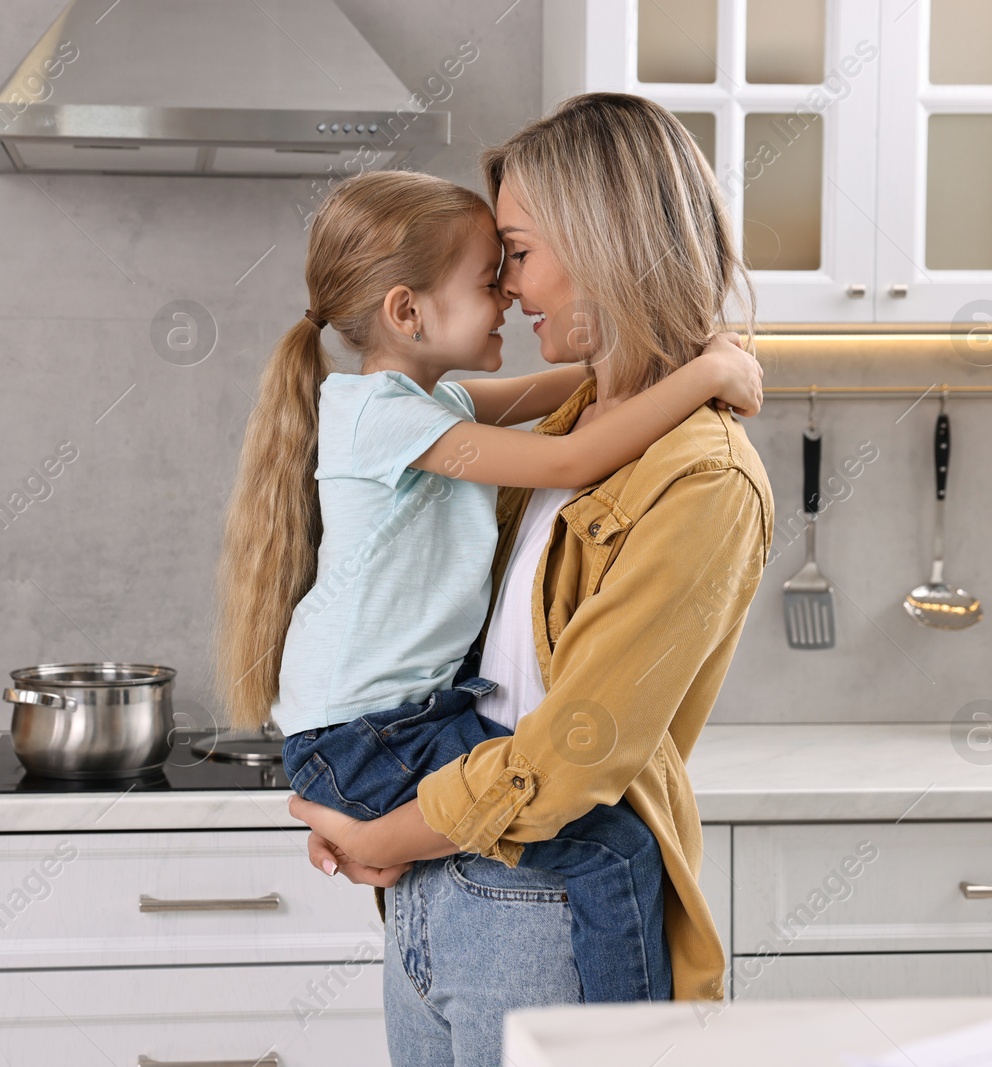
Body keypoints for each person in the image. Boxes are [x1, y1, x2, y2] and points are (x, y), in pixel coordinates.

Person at [286, 93, 775, 1066]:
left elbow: (573, 751)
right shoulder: (563, 433)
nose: (508, 285)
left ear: (604, 244)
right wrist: (392, 829)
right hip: (433, 896)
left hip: (531, 907)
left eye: (515, 249)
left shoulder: (701, 473)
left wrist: (393, 829)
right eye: (496, 261)